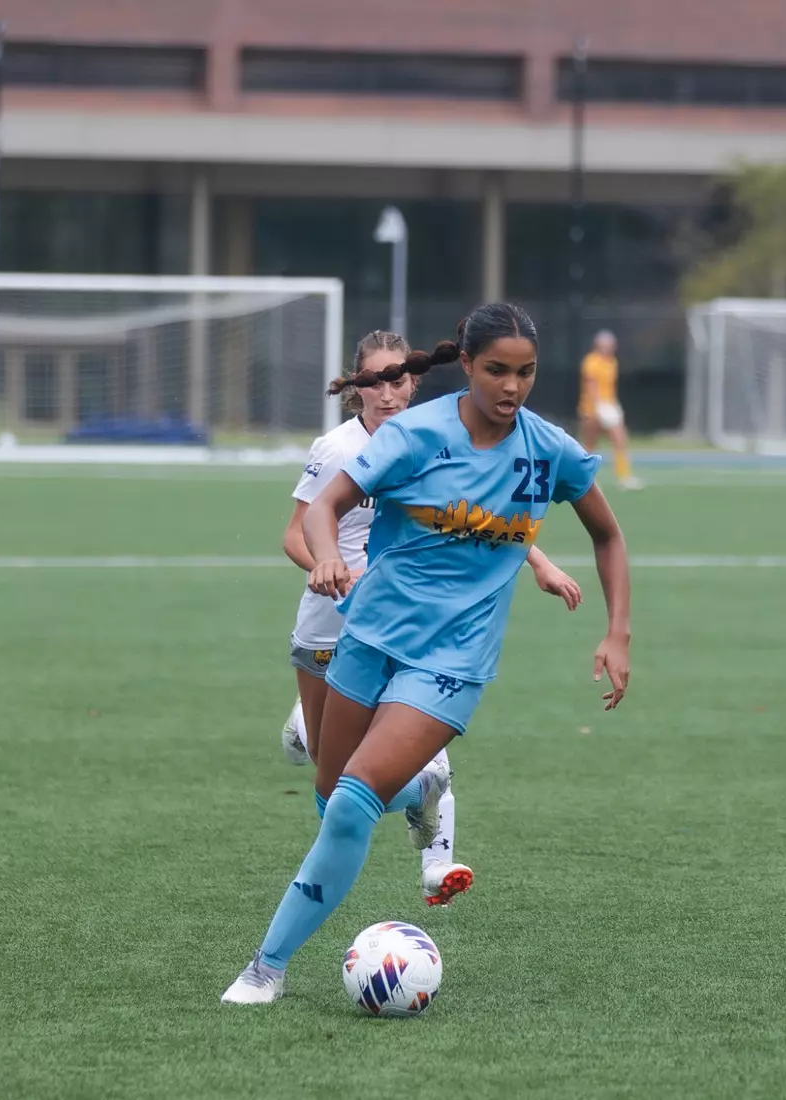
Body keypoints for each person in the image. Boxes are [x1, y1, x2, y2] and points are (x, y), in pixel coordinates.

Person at [222, 301, 632, 1006]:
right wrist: (323, 557)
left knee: (350, 805)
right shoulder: (415, 435)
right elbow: (323, 508)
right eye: (497, 370)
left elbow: (607, 535)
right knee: (330, 802)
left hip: (452, 662)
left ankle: (266, 967)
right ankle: (420, 792)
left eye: (526, 373)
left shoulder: (548, 450)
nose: (512, 386)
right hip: (370, 638)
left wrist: (617, 630)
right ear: (466, 366)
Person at [277, 329, 583, 908]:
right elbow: (297, 533)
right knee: (330, 774)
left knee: (421, 739)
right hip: (329, 626)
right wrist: (331, 565)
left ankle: (436, 862)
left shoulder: (427, 441)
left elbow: (477, 523)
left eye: (399, 378)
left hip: (403, 620)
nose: (389, 393)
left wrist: (538, 560)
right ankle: (305, 729)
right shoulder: (338, 450)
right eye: (376, 381)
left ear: (414, 379)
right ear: (357, 389)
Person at [578, 329, 642, 490]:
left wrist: (613, 406)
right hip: (591, 408)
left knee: (620, 439)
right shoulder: (591, 361)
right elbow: (591, 386)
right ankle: (583, 477)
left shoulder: (612, 362)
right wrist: (598, 408)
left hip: (609, 405)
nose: (609, 347)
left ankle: (624, 476)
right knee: (589, 444)